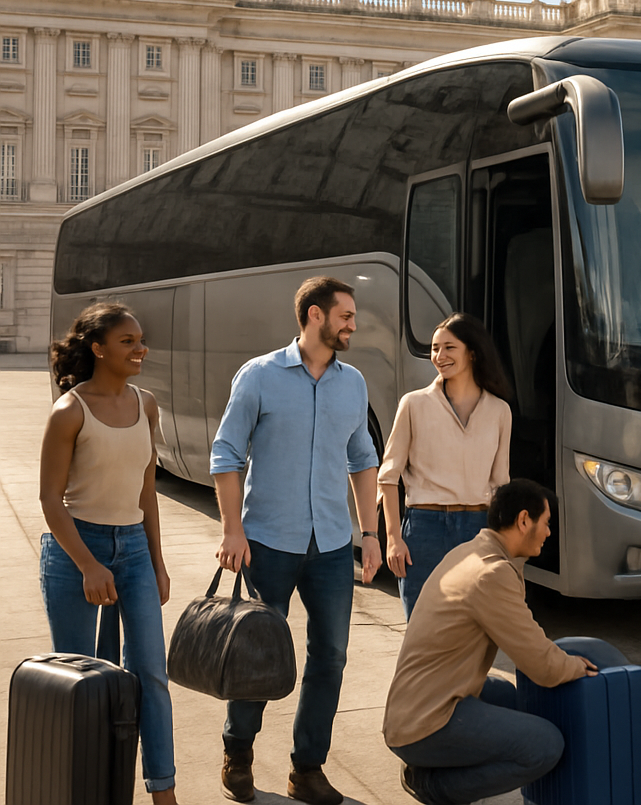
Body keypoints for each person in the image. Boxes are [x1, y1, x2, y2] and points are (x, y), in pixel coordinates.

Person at [210, 276, 382, 805]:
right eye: (345, 315)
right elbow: (226, 454)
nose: (353, 324)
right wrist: (232, 529)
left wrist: (370, 533)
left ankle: (307, 768)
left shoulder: (353, 382)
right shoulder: (259, 376)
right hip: (268, 543)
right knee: (257, 656)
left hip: (331, 544)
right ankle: (238, 751)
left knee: (330, 656)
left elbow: (363, 459)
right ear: (314, 315)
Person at [383, 479, 597, 805]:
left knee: (506, 696)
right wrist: (577, 667)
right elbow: (542, 666)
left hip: (415, 705)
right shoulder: (491, 573)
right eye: (546, 523)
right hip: (424, 723)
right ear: (524, 520)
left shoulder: (470, 551)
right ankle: (431, 783)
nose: (549, 533)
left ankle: (432, 765)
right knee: (545, 745)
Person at [39, 302, 178, 804]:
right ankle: (86, 788)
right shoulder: (69, 410)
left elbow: (147, 494)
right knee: (79, 682)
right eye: (128, 341)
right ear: (98, 348)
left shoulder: (147, 404)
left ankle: (164, 793)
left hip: (134, 549)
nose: (140, 348)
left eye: (141, 339)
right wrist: (88, 564)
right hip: (76, 549)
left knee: (151, 676)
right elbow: (50, 500)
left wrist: (157, 563)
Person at [379, 312, 512, 618]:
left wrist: (504, 545)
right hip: (424, 528)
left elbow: (500, 483)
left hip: (479, 527)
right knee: (421, 629)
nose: (439, 356)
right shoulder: (413, 404)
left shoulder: (499, 411)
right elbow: (388, 477)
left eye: (449, 347)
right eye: (435, 348)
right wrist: (393, 539)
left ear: (472, 352)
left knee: (474, 629)